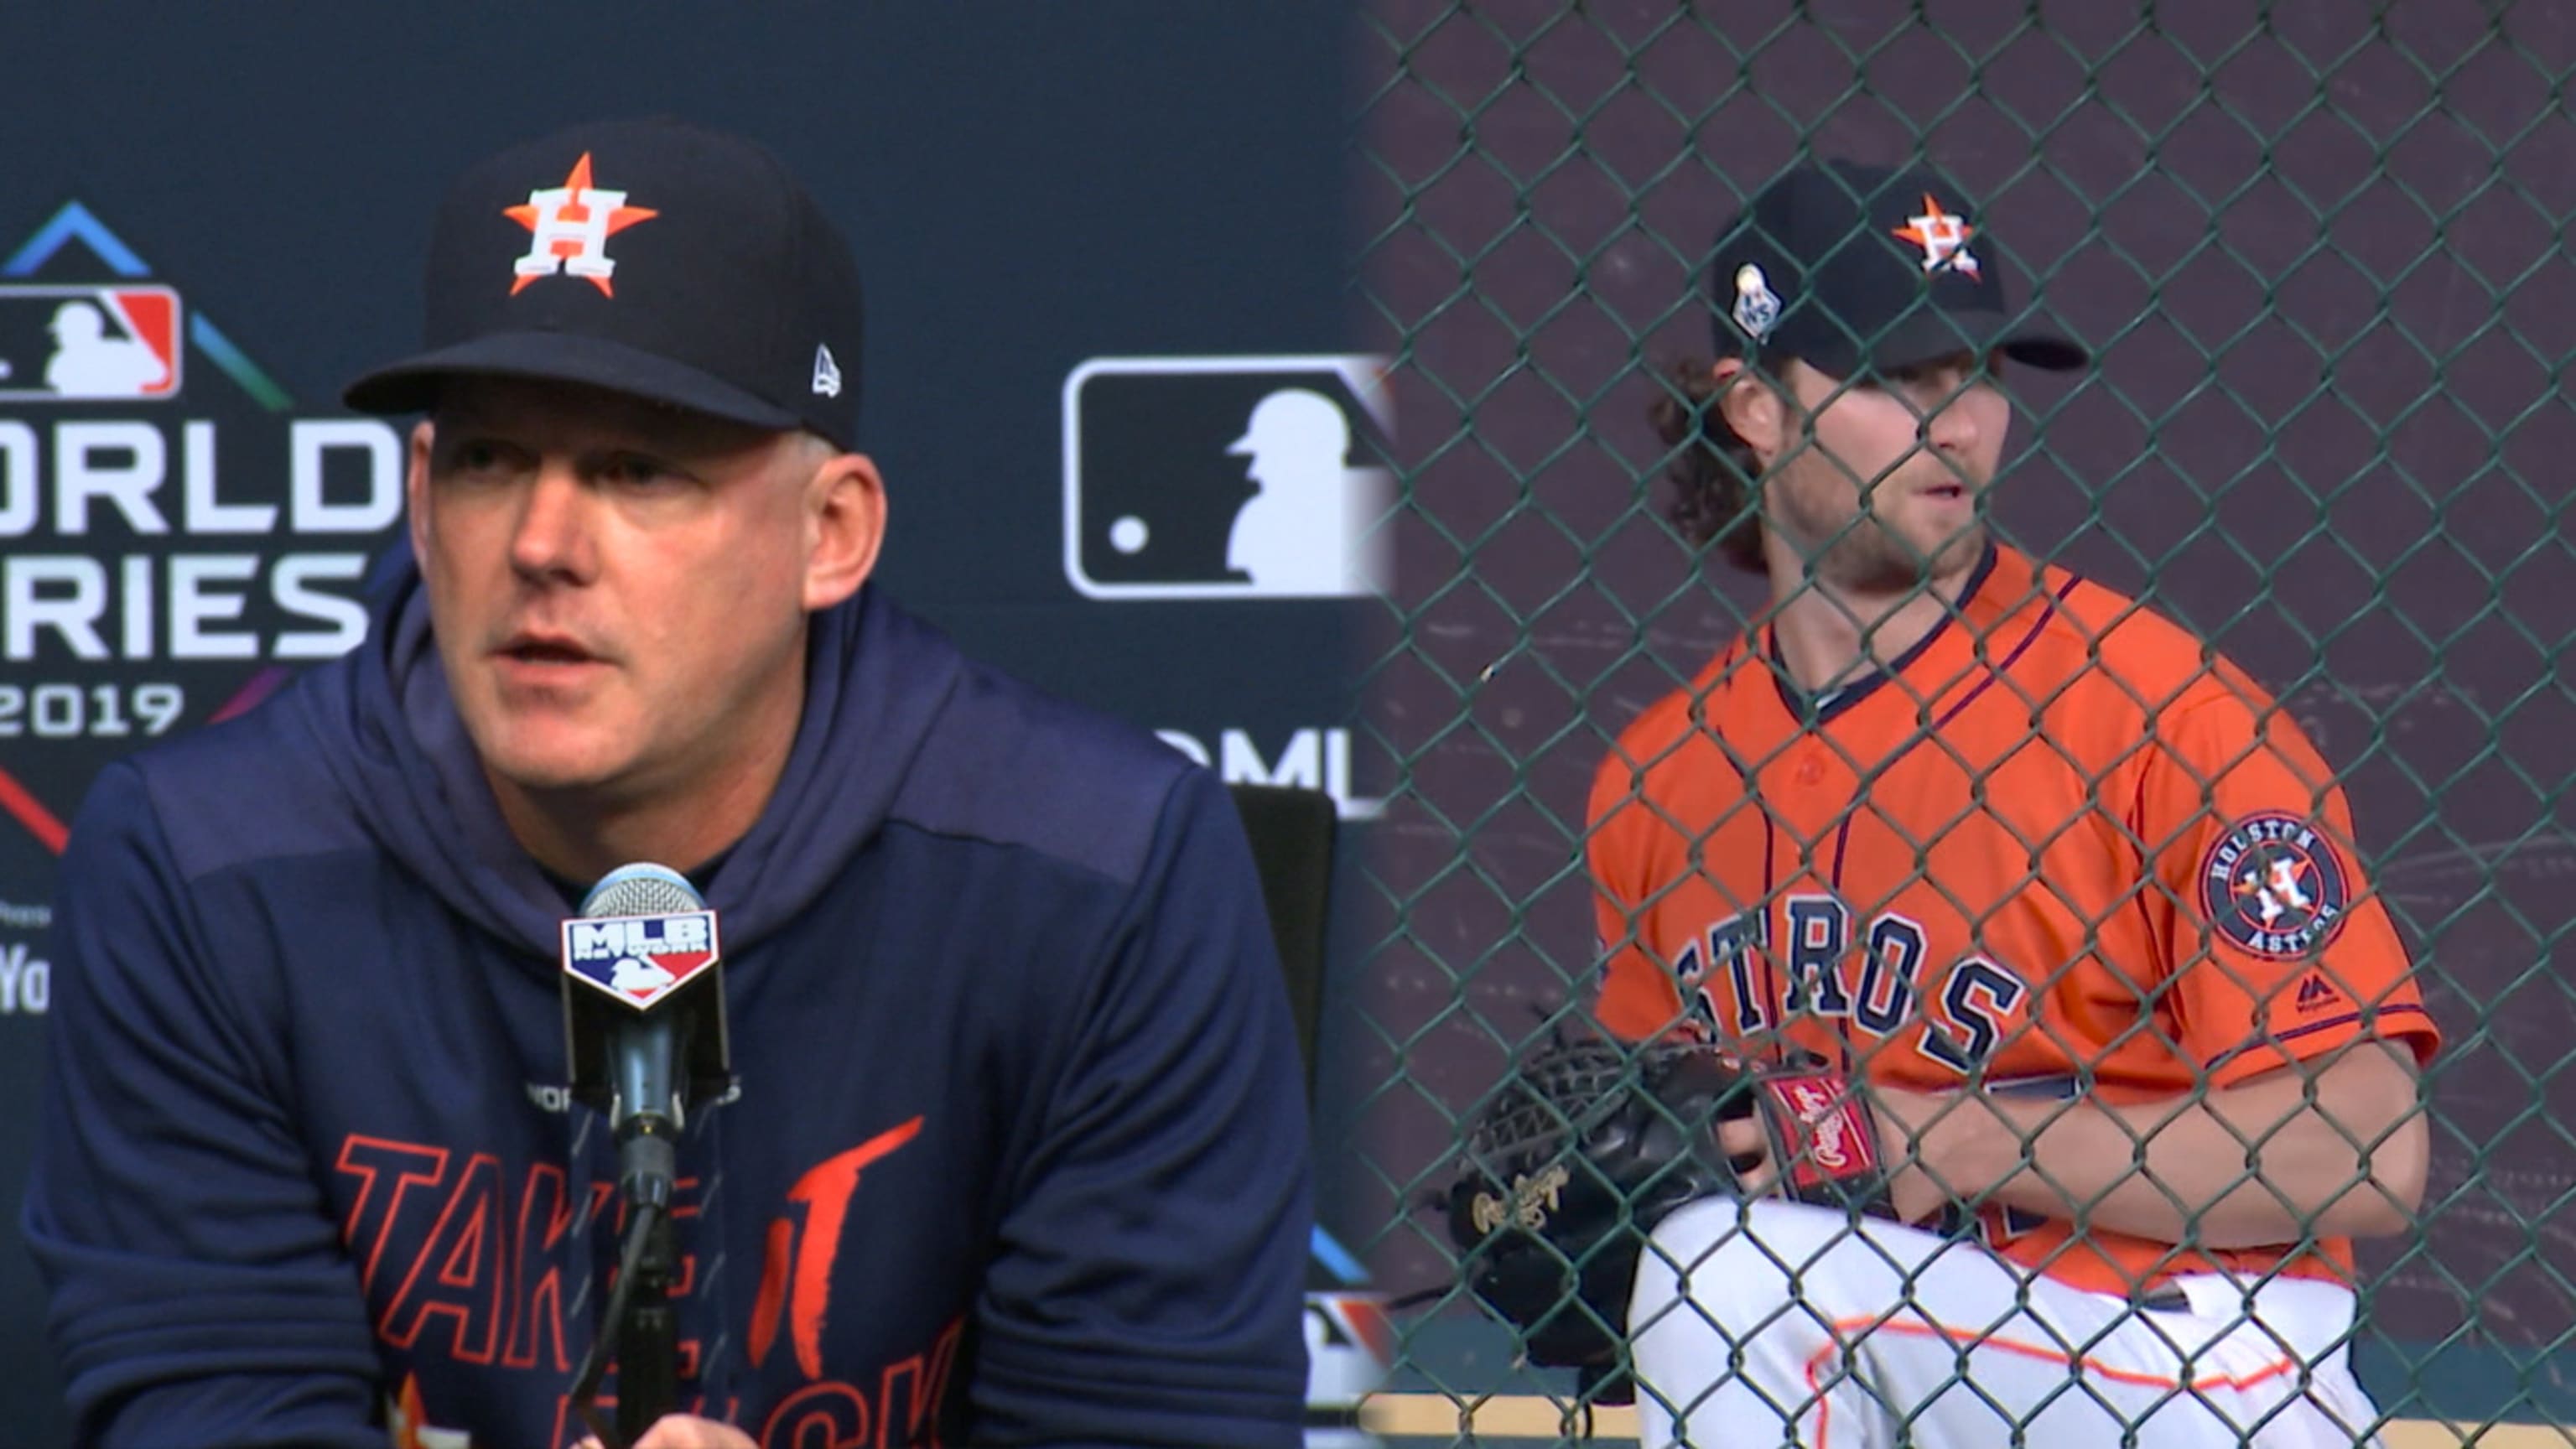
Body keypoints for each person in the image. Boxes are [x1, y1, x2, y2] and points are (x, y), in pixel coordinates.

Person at [21, 117, 1313, 1449]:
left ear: (833, 534)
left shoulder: (1099, 868)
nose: (541, 544)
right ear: (419, 501)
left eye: (639, 471)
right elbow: (213, 1413)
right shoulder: (203, 860)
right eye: (487, 461)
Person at [1583, 160, 2438, 1446]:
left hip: (2199, 1360)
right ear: (1756, 408)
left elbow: (2367, 1146)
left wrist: (1955, 1143)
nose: (1959, 425)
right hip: (1896, 1356)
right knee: (1717, 1264)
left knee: (1737, 1271)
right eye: (1892, 380)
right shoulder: (1660, 781)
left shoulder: (2164, 717)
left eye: (1973, 375)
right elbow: (1665, 1134)